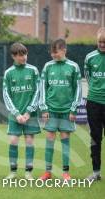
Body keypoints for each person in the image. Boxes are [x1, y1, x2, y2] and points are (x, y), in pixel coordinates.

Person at [39, 38, 82, 180]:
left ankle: (65, 172)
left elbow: (78, 89)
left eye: (55, 52)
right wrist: (44, 108)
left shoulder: (73, 67)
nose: (53, 55)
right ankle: (47, 172)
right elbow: (43, 88)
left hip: (66, 111)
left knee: (65, 140)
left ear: (64, 50)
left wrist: (73, 109)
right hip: (51, 110)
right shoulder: (47, 66)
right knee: (50, 139)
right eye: (51, 52)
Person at [3, 42, 40, 179]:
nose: (23, 57)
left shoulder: (33, 70)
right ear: (13, 56)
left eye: (25, 54)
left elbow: (38, 92)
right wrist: (17, 114)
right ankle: (13, 171)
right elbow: (6, 95)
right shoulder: (8, 73)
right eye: (20, 55)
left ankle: (28, 172)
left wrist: (28, 112)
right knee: (13, 141)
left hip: (30, 114)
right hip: (15, 115)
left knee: (29, 141)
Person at [85, 27, 105, 181]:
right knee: (95, 138)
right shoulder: (90, 57)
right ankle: (96, 172)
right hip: (94, 103)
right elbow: (88, 77)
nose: (102, 45)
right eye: (100, 42)